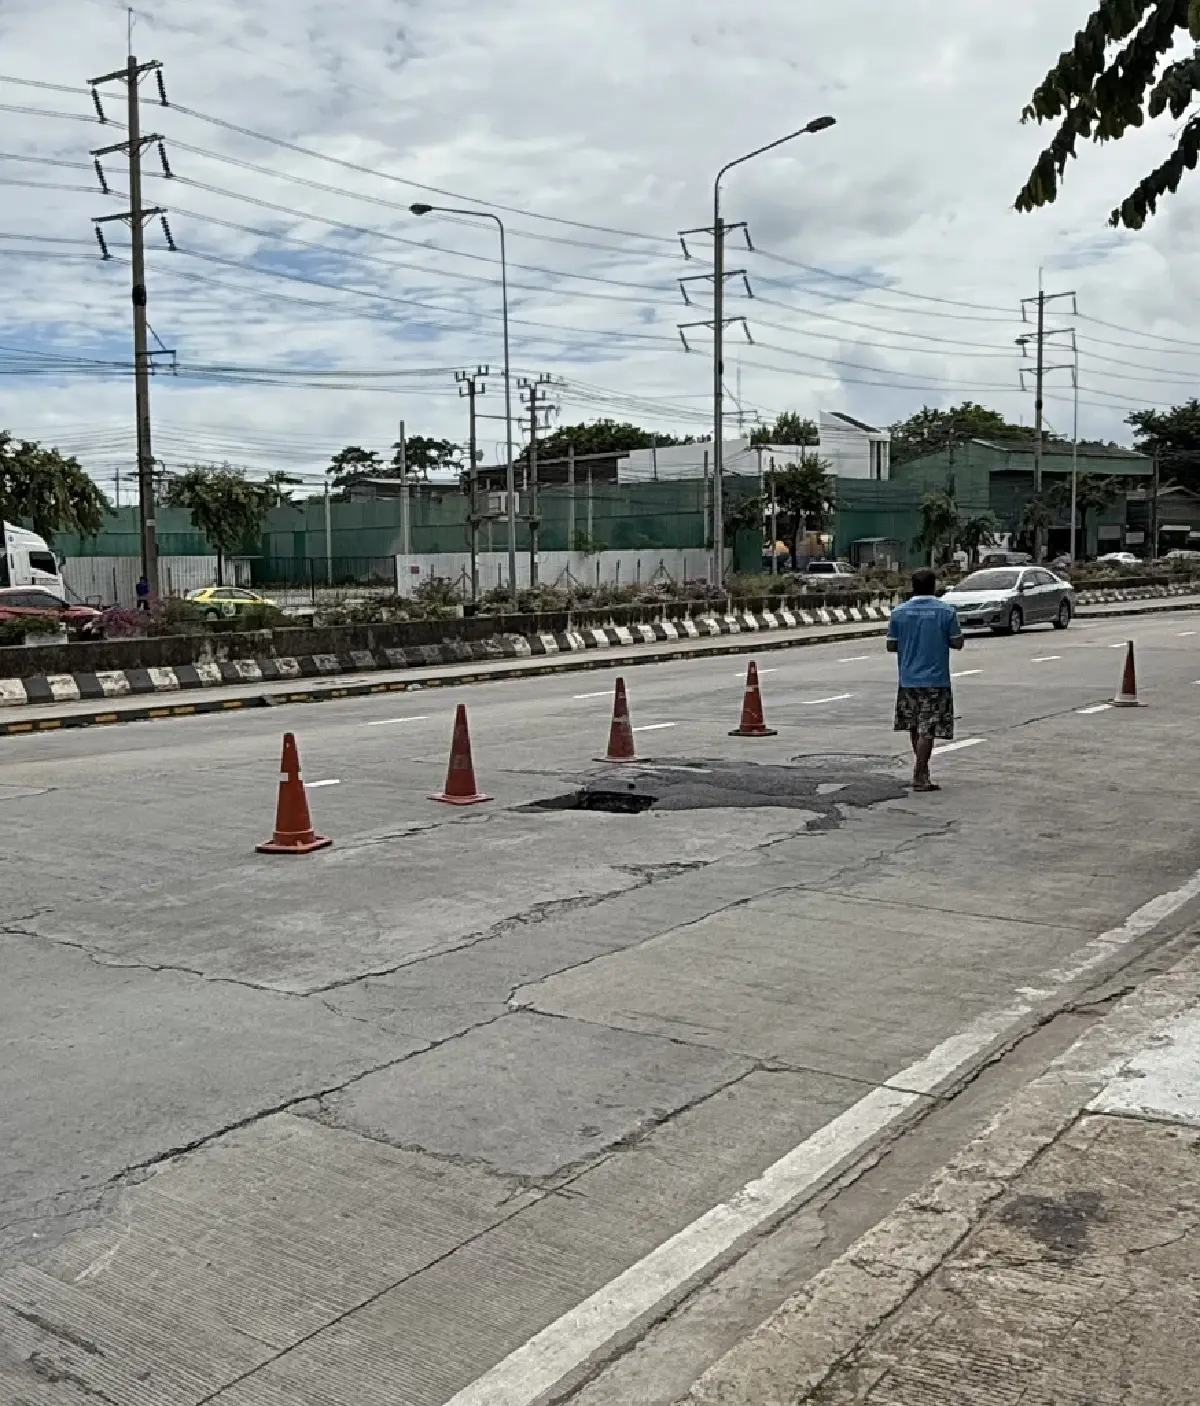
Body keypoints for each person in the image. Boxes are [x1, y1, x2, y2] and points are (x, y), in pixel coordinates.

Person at [886, 568, 964, 792]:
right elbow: (957, 642)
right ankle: (920, 774)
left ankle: (923, 769)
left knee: (915, 726)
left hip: (908, 679)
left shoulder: (899, 612)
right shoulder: (945, 612)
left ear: (913, 586)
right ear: (934, 586)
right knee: (927, 729)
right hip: (935, 680)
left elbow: (891, 645)